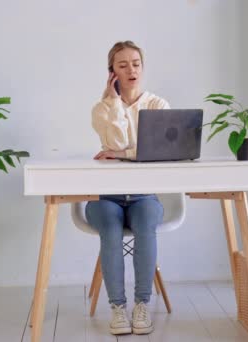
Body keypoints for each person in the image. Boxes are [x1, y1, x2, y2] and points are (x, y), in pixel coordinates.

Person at [86, 40, 169, 335]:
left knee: (146, 226)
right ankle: (118, 308)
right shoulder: (101, 109)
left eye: (135, 63)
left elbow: (154, 151)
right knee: (110, 231)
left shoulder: (158, 106)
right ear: (112, 73)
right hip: (105, 196)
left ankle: (142, 304)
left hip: (144, 195)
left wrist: (122, 155)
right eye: (122, 65)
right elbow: (119, 142)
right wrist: (114, 103)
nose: (131, 69)